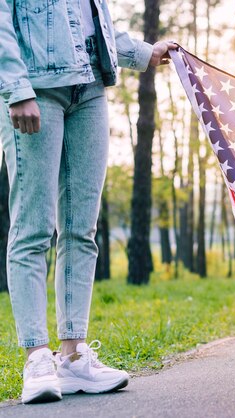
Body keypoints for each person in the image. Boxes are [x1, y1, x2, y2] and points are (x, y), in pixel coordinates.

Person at [0, 0, 176, 404]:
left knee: (82, 229)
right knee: (33, 228)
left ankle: (74, 355)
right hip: (36, 90)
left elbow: (93, 26)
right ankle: (36, 357)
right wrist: (16, 89)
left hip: (91, 90)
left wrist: (146, 52)